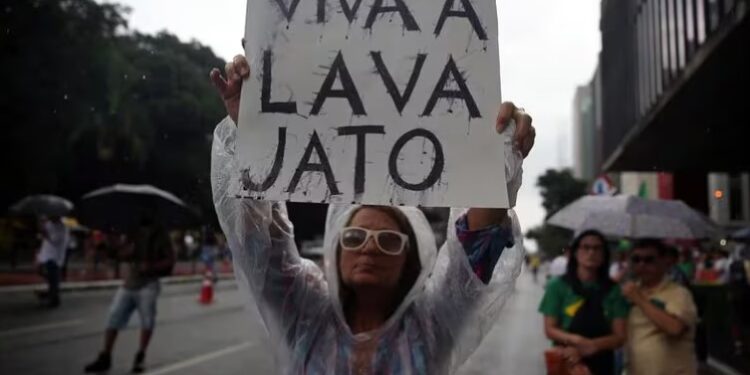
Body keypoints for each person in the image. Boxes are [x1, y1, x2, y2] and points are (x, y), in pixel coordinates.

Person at [208, 55, 535, 374]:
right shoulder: (304, 311)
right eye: (354, 237)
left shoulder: (432, 325)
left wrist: (496, 151)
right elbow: (263, 245)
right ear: (335, 249)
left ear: (410, 258)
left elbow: (473, 254)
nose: (370, 247)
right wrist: (254, 131)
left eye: (390, 240)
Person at [84, 215, 175, 374]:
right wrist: (111, 245)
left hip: (149, 284)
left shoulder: (160, 233)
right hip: (130, 282)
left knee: (147, 321)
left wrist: (152, 266)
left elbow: (170, 259)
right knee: (113, 317)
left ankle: (140, 356)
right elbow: (122, 254)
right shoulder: (132, 230)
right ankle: (105, 355)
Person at [538, 230, 628, 375]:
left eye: (597, 248)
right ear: (575, 252)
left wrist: (593, 345)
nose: (591, 252)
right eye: (585, 247)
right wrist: (577, 341)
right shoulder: (558, 286)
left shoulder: (613, 290)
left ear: (604, 255)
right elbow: (550, 329)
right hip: (567, 359)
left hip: (602, 362)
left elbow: (619, 336)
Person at [621, 239, 698, 375]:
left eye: (649, 260)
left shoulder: (679, 293)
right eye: (636, 260)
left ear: (664, 262)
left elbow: (675, 328)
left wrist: (639, 300)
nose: (642, 264)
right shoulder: (629, 292)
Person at [36, 215, 70, 308]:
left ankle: (54, 299)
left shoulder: (62, 226)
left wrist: (44, 233)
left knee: (53, 277)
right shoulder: (49, 223)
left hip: (55, 256)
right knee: (45, 274)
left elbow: (55, 240)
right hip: (46, 253)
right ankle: (51, 292)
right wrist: (41, 225)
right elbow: (43, 232)